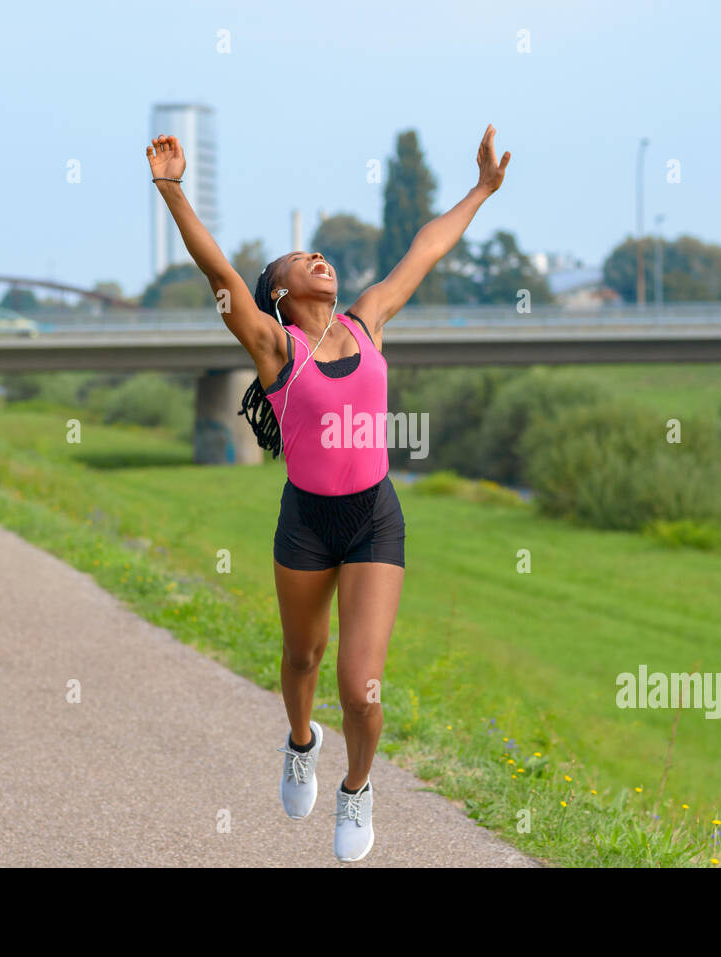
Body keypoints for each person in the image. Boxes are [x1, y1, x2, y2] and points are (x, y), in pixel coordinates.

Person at [146, 125, 510, 861]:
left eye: (325, 255)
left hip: (375, 516)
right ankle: (300, 741)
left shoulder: (368, 320)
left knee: (361, 683)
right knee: (302, 659)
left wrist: (480, 191)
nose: (322, 259)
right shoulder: (275, 347)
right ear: (280, 291)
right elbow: (217, 271)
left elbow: (426, 249)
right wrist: (172, 189)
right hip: (307, 523)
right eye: (304, 258)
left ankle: (357, 788)